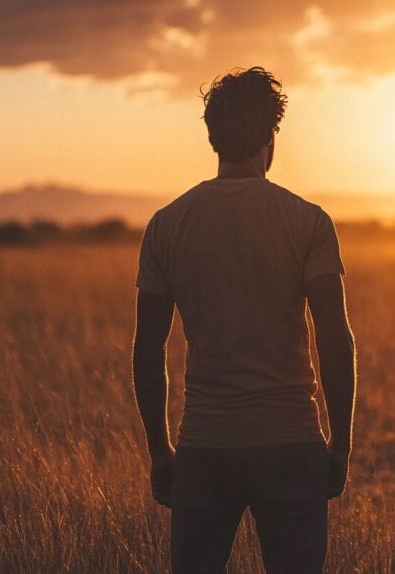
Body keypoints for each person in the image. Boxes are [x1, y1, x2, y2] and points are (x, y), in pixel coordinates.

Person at [132, 66, 356, 574]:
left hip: (204, 445)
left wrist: (160, 451)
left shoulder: (167, 225)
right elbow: (335, 340)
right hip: (291, 442)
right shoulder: (308, 221)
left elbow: (148, 351)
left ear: (212, 136)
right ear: (270, 137)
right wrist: (339, 445)